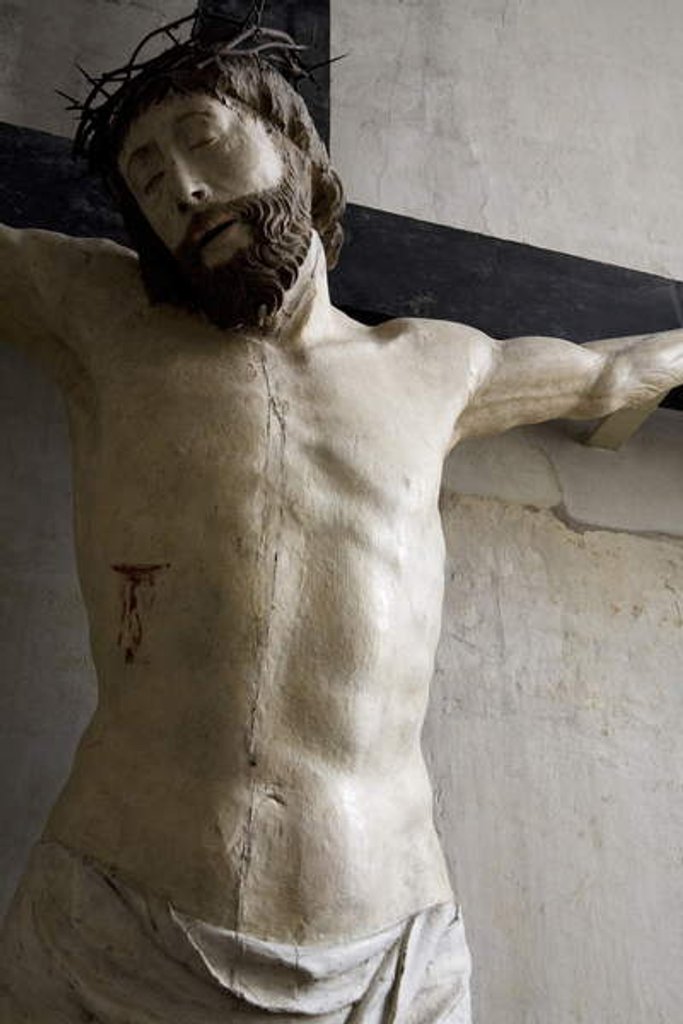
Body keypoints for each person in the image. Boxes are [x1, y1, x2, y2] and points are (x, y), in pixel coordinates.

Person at [1, 11, 682, 1024]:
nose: (180, 188)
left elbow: (614, 372)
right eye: (147, 179)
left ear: (295, 150)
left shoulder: (437, 363)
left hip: (391, 955)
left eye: (203, 139)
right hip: (119, 929)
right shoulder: (97, 315)